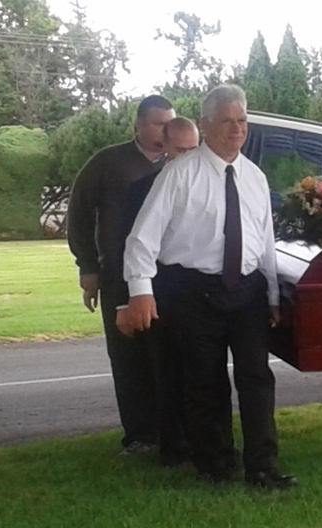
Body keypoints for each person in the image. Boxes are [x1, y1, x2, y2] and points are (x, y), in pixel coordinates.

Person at [123, 84, 296, 490]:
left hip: (249, 292)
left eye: (242, 120)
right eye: (226, 121)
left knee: (257, 379)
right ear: (204, 125)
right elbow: (142, 237)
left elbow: (263, 240)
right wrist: (139, 290)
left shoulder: (254, 177)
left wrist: (271, 294)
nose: (236, 130)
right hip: (193, 292)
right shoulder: (179, 174)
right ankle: (215, 464)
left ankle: (262, 467)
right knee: (205, 382)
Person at [67, 94, 176, 456]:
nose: (166, 130)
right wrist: (88, 267)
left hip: (167, 278)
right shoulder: (109, 163)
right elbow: (79, 214)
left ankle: (173, 433)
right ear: (139, 124)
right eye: (159, 123)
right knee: (128, 358)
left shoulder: (180, 164)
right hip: (117, 276)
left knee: (168, 357)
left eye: (170, 123)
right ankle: (140, 435)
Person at [115, 117, 200, 467]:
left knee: (199, 371)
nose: (188, 157)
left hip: (196, 293)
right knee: (165, 371)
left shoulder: (207, 185)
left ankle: (201, 441)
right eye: (181, 150)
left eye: (195, 150)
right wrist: (129, 299)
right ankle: (173, 448)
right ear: (163, 147)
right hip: (156, 293)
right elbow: (128, 247)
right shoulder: (141, 190)